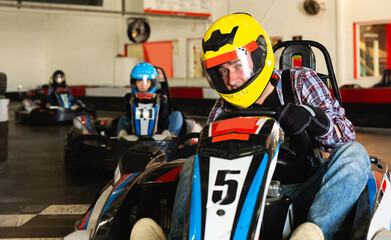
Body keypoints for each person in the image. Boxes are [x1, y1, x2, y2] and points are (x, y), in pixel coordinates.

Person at [130, 13, 370, 240]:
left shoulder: (300, 81)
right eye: (222, 71)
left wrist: (313, 119)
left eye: (236, 66)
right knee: (193, 164)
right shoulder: (223, 107)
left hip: (301, 189)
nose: (230, 79)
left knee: (355, 154)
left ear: (259, 56)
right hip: (237, 193)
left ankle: (316, 232)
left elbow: (345, 136)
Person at [116, 62, 184, 138]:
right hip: (135, 130)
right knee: (123, 119)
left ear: (152, 82)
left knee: (177, 115)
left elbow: (164, 115)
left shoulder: (161, 94)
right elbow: (128, 116)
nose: (142, 85)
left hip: (160, 129)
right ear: (134, 82)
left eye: (146, 81)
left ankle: (172, 136)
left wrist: (162, 101)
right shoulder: (130, 97)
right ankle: (122, 136)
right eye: (139, 81)